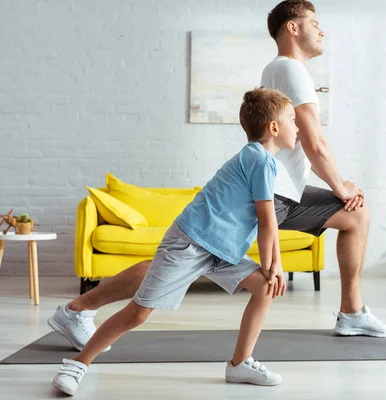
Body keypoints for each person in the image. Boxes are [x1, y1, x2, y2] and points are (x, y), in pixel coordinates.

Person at [47, 0, 386, 358]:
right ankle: (77, 310)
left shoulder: (280, 69)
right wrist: (342, 187)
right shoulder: (292, 71)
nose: (322, 30)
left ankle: (351, 313)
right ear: (293, 28)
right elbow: (314, 141)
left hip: (283, 190)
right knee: (171, 265)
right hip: (276, 194)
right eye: (314, 23)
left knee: (354, 216)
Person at [51, 88, 298, 395]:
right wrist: (272, 264)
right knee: (138, 313)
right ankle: (77, 364)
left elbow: (268, 221)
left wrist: (274, 267)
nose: (297, 126)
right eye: (292, 119)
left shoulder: (264, 161)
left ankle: (240, 363)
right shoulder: (259, 160)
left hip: (222, 250)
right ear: (274, 127)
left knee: (264, 288)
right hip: (191, 242)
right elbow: (266, 219)